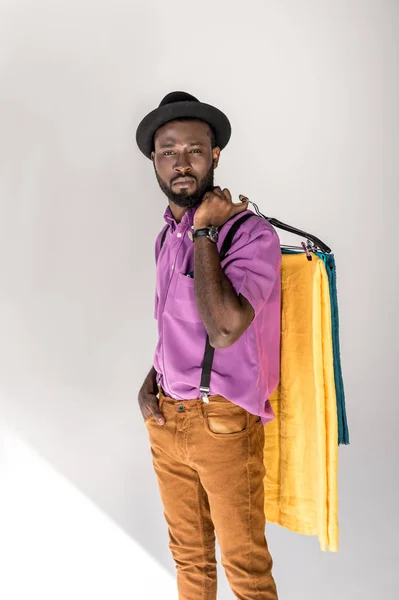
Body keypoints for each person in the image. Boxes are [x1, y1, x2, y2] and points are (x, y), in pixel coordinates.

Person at [136, 91, 281, 600]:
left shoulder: (248, 234)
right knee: (190, 561)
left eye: (194, 149)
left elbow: (223, 329)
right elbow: (173, 326)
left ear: (214, 154)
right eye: (167, 150)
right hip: (166, 422)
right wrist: (150, 382)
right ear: (154, 160)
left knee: (244, 568)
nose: (181, 161)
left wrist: (205, 231)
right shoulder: (165, 237)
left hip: (222, 423)